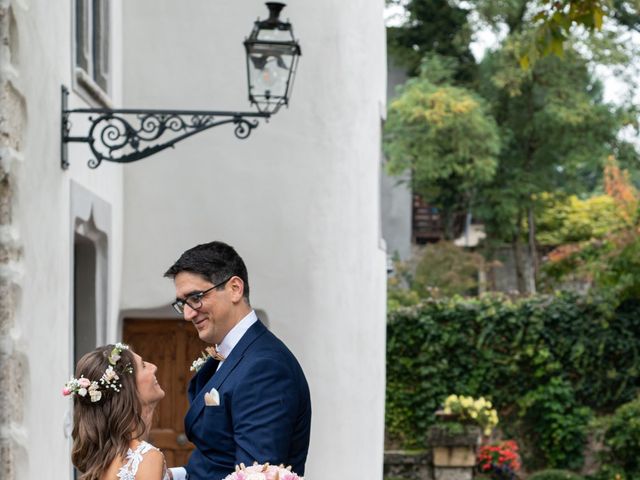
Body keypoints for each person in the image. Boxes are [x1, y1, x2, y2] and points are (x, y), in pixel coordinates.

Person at [164, 241, 312, 480]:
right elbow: (215, 461)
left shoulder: (265, 368)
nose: (189, 313)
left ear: (235, 288)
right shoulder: (229, 355)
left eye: (196, 297)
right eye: (183, 303)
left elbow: (254, 473)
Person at [63, 343, 169, 480]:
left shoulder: (101, 462)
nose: (153, 367)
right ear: (127, 390)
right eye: (143, 365)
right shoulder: (147, 457)